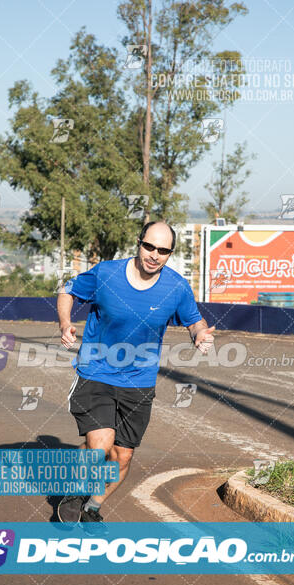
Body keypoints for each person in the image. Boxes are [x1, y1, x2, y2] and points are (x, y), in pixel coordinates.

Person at [56, 221, 215, 528]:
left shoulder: (176, 287)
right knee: (101, 444)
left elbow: (194, 320)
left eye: (164, 250)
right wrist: (65, 322)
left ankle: (92, 506)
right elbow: (68, 290)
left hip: (139, 382)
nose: (155, 255)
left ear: (170, 254)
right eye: (149, 246)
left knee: (121, 457)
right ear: (139, 243)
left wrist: (199, 335)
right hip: (97, 372)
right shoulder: (107, 273)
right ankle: (73, 493)